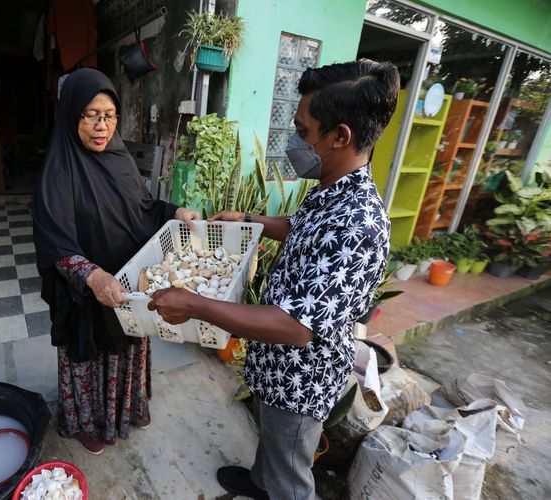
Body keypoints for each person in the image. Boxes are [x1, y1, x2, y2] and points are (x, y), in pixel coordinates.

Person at [147, 59, 399, 499]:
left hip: (300, 379)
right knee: (272, 444)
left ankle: (274, 488)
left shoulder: (358, 222)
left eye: (304, 132)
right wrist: (251, 220)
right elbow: (301, 228)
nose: (296, 142)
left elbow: (295, 327)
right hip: (274, 368)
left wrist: (194, 304)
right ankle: (259, 482)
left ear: (341, 136)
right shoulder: (333, 189)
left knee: (291, 474)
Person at [32, 68, 199, 455]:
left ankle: (128, 409)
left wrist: (176, 211)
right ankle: (89, 423)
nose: (101, 125)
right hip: (89, 292)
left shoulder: (119, 158)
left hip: (127, 283)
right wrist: (92, 277)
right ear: (72, 114)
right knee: (91, 355)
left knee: (128, 346)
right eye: (90, 114)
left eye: (109, 115)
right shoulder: (57, 171)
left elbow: (142, 207)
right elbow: (54, 244)